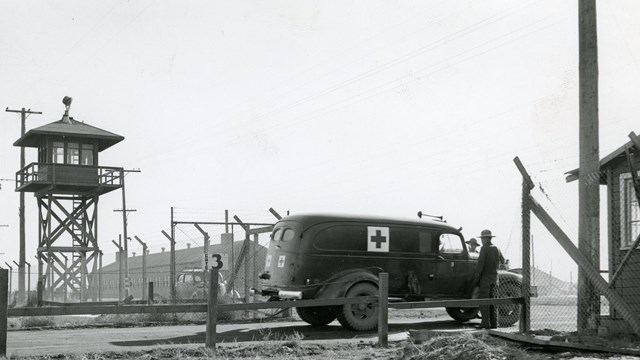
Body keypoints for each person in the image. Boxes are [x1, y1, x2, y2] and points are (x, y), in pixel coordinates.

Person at [472, 229, 503, 329]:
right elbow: (503, 261)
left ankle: (485, 322)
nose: (481, 240)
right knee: (494, 301)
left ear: (485, 238)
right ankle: (495, 323)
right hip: (495, 278)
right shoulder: (497, 248)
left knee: (484, 301)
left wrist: (476, 279)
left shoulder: (484, 248)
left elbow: (480, 265)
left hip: (485, 278)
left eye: (482, 238)